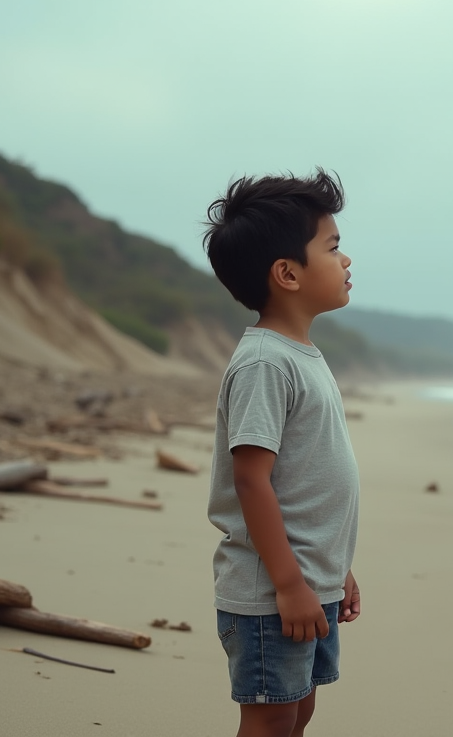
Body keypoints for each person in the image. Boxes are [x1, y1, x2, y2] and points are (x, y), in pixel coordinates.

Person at [202, 168, 360, 737]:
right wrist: (291, 585)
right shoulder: (266, 363)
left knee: (299, 709)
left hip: (307, 583)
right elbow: (252, 481)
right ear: (288, 273)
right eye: (333, 247)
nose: (346, 261)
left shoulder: (302, 355)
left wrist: (334, 571)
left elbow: (309, 479)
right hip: (270, 592)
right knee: (270, 718)